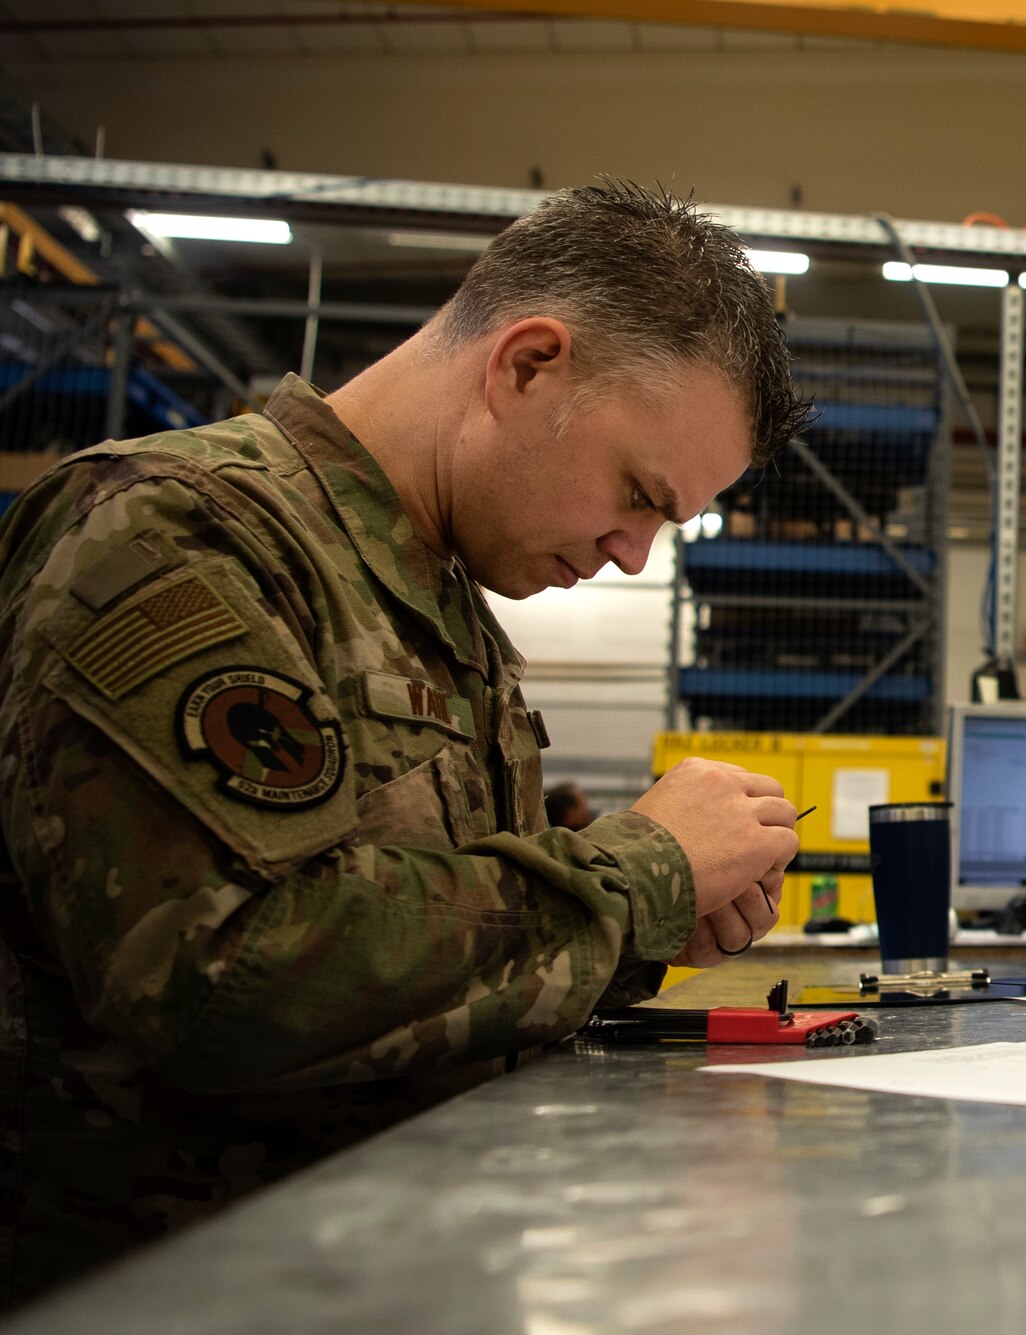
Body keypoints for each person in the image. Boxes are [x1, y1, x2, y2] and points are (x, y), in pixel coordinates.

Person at [0, 181, 814, 1307]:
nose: (634, 555)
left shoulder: (440, 610)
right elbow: (222, 978)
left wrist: (654, 922)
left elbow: (436, 955)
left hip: (388, 1272)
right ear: (528, 364)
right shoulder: (170, 533)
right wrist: (641, 873)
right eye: (639, 494)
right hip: (178, 1288)